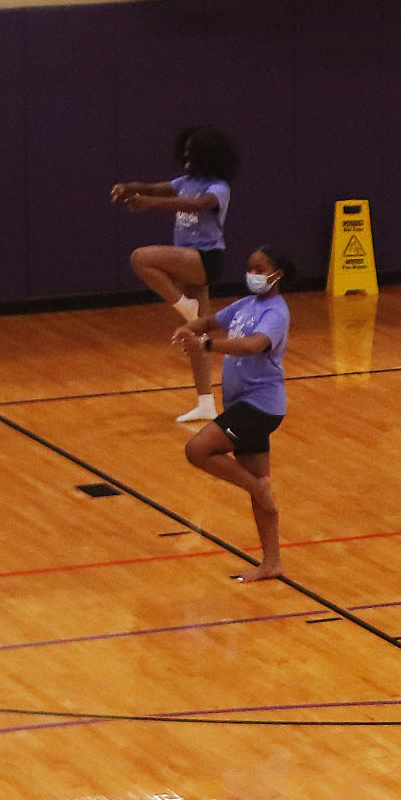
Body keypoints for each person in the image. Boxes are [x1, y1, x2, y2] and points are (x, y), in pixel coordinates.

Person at [172, 247, 293, 585]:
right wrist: (191, 328)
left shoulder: (276, 313)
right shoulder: (247, 305)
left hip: (260, 406)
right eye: (249, 267)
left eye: (259, 268)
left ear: (277, 274)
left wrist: (209, 345)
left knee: (197, 450)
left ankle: (257, 487)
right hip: (243, 404)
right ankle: (272, 563)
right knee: (260, 486)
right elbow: (213, 321)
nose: (252, 273)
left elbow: (254, 345)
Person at [109, 127, 238, 424]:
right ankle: (206, 402)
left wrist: (151, 205)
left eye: (193, 149)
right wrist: (129, 187)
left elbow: (196, 205)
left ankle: (185, 305)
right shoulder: (185, 181)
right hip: (187, 259)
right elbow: (154, 187)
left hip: (205, 259)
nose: (187, 154)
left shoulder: (219, 187)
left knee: (141, 258)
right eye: (186, 148)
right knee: (196, 335)